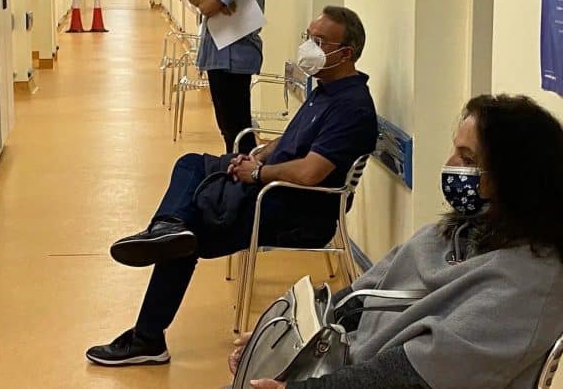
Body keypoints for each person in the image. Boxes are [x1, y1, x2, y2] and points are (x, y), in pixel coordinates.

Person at [85, 6, 378, 366]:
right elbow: (292, 139)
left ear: (345, 53)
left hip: (295, 210)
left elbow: (309, 173)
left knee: (187, 237)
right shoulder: (326, 90)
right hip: (272, 187)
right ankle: (167, 226)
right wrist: (258, 155)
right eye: (308, 37)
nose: (309, 47)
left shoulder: (351, 108)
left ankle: (148, 334)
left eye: (319, 41)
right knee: (191, 164)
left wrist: (257, 174)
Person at [229, 94, 563, 389]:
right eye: (454, 150)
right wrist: (279, 341)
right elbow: (357, 300)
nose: (449, 165)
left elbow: (412, 373)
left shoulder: (530, 282)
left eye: (468, 159)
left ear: (514, 178)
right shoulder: (446, 236)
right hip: (349, 364)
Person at [188, 0, 266, 154]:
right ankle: (236, 169)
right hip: (220, 53)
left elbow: (207, 6)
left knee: (237, 131)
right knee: (229, 130)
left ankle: (244, 171)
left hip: (232, 54)